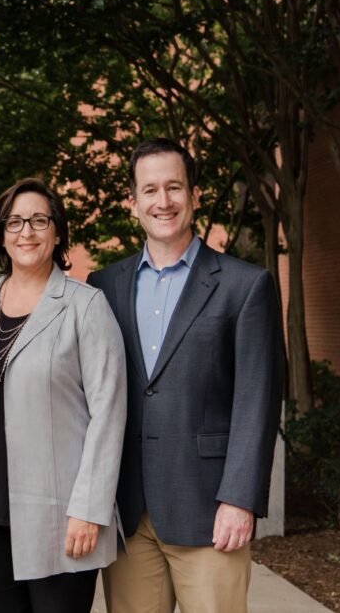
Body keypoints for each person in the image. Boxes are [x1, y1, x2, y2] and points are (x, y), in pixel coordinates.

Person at [88, 138, 284, 613]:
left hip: (209, 510)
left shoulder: (245, 285)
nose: (163, 201)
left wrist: (240, 499)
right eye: (150, 189)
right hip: (129, 512)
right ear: (133, 203)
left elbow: (257, 401)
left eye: (174, 187)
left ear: (194, 196)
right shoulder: (103, 286)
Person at [0, 178, 127, 613]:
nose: (26, 231)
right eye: (14, 221)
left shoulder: (86, 306)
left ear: (58, 231)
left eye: (39, 220)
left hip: (61, 520)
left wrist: (89, 511)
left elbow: (109, 414)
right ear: (1, 234)